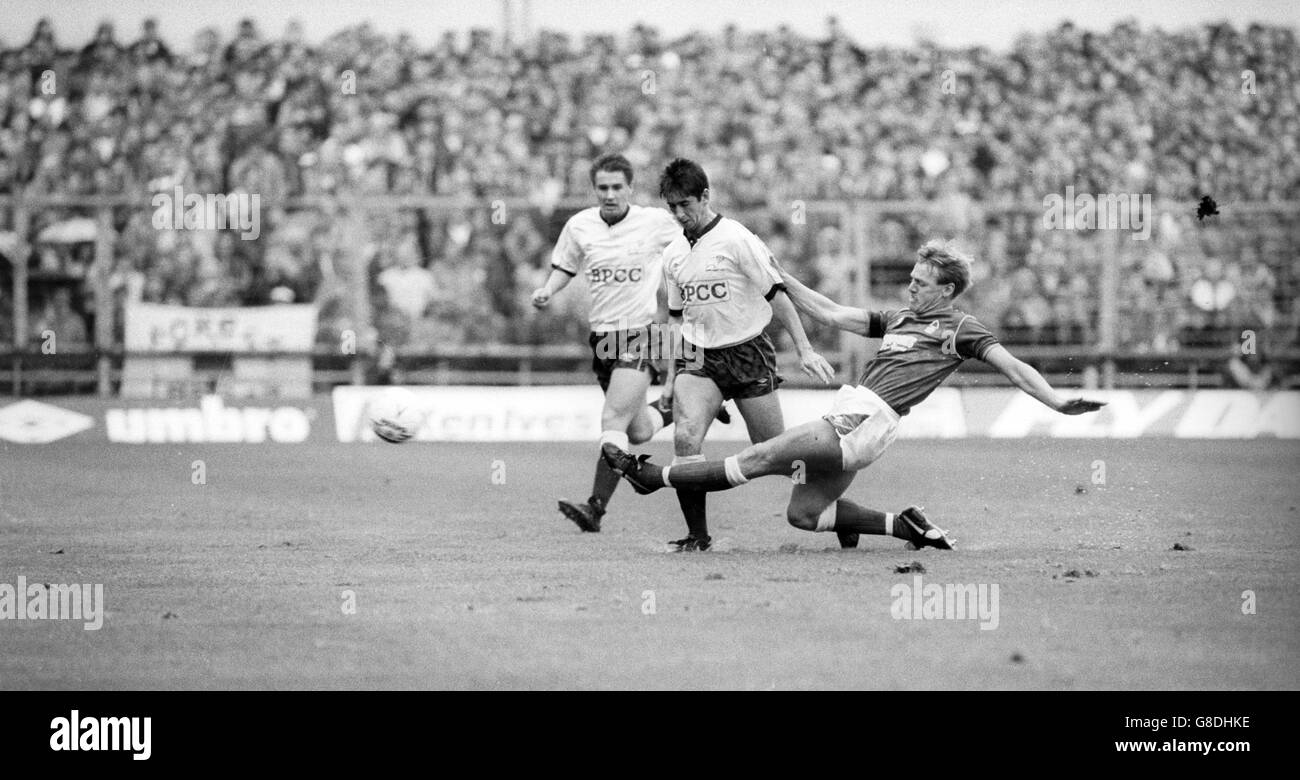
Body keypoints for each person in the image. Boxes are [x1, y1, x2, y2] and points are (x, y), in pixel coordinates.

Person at [604, 240, 1106, 550]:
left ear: (948, 291)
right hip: (857, 416)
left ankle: (653, 476)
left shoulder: (961, 328)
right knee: (803, 515)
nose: (909, 289)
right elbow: (829, 312)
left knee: (762, 455)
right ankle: (904, 526)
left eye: (920, 283)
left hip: (868, 418)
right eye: (909, 280)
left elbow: (1014, 367)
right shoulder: (900, 318)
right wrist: (774, 275)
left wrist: (1058, 402)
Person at [654, 158, 834, 551]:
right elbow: (674, 317)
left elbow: (777, 295)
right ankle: (697, 537)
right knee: (685, 438)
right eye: (672, 207)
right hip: (699, 359)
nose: (680, 214)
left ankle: (841, 515)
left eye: (686, 204)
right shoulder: (672, 255)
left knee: (778, 456)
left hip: (748, 352)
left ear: (705, 196)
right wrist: (670, 376)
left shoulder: (737, 239)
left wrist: (804, 348)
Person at [530, 153, 685, 533]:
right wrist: (548, 290)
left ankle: (595, 509)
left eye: (618, 187)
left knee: (611, 419)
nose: (610, 194)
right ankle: (691, 407)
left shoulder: (653, 223)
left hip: (642, 333)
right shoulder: (580, 225)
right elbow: (565, 266)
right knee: (638, 431)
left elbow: (694, 240)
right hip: (601, 338)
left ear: (630, 188)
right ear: (594, 189)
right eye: (603, 188)